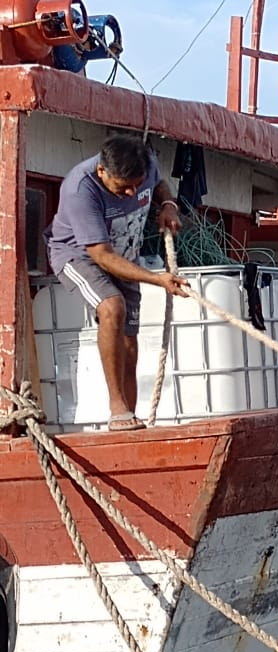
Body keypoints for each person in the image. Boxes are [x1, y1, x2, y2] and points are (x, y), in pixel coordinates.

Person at [45, 135, 189, 431]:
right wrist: (157, 279)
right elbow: (102, 255)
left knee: (130, 340)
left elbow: (158, 185)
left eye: (137, 184)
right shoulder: (80, 189)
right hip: (79, 255)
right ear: (102, 172)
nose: (132, 192)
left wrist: (169, 204)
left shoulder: (145, 166)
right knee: (112, 307)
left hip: (125, 254)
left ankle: (129, 419)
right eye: (123, 187)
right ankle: (117, 409)